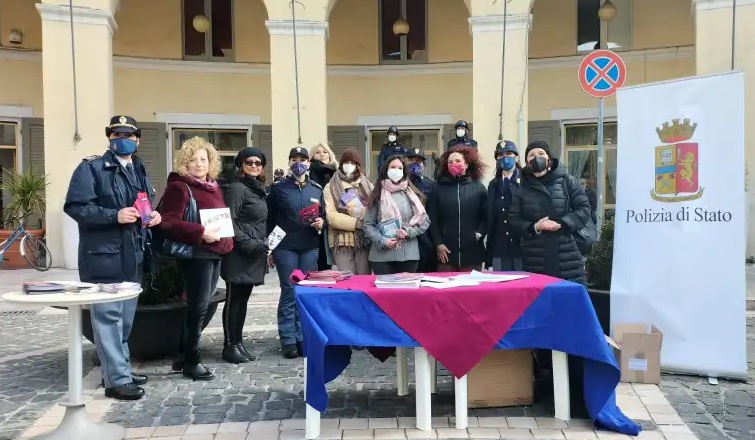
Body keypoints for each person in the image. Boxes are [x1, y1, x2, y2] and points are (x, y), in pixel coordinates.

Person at [64, 115, 160, 401]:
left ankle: (122, 369)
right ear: (109, 137)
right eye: (117, 134)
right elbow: (76, 207)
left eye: (129, 135)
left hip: (133, 254)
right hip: (104, 257)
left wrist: (151, 215)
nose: (123, 139)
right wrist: (113, 216)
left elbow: (143, 202)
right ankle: (116, 380)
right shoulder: (91, 168)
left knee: (125, 320)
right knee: (108, 319)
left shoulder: (139, 167)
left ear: (137, 139)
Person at [158, 136, 234, 380]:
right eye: (193, 159)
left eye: (204, 159)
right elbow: (169, 222)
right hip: (197, 255)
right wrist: (201, 233)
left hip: (214, 254)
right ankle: (192, 360)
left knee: (200, 306)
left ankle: (182, 356)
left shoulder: (213, 186)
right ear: (185, 163)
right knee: (198, 308)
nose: (199, 164)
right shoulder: (180, 187)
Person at [267, 146, 325, 359]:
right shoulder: (279, 189)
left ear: (309, 163)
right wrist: (270, 248)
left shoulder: (317, 189)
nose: (298, 162)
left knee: (305, 293)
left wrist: (321, 222)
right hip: (286, 247)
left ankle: (303, 337)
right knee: (290, 291)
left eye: (303, 159)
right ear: (289, 162)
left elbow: (324, 217)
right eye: (294, 159)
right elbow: (270, 219)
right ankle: (288, 339)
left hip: (309, 246)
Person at [508, 140, 591, 283]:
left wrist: (561, 223)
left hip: (566, 256)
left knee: (569, 302)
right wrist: (534, 227)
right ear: (527, 162)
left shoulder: (567, 181)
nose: (536, 158)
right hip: (535, 257)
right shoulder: (522, 188)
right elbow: (514, 219)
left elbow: (584, 209)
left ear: (550, 159)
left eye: (541, 153)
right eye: (531, 155)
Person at [219, 147, 269, 364]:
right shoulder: (237, 189)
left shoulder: (257, 189)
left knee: (242, 300)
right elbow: (228, 221)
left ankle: (238, 342)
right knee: (234, 300)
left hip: (253, 251)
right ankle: (230, 345)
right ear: (241, 165)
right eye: (249, 162)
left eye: (258, 163)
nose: (254, 166)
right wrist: (250, 243)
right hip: (239, 251)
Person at [363, 155, 430, 275]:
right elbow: (368, 224)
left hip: (408, 255)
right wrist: (381, 240)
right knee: (384, 293)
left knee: (406, 293)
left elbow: (425, 221)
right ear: (386, 170)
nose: (396, 170)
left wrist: (408, 231)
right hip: (381, 257)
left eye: (400, 168)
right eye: (393, 167)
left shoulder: (412, 194)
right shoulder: (377, 194)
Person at [428, 147, 488, 272]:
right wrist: (438, 243)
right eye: (450, 162)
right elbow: (432, 219)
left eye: (457, 161)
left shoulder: (479, 188)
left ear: (466, 164)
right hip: (446, 254)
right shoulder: (438, 189)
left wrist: (479, 234)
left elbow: (486, 216)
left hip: (472, 253)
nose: (453, 164)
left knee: (471, 290)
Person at [323, 148, 373, 275]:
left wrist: (363, 219)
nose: (349, 165)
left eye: (353, 162)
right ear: (341, 164)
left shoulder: (368, 186)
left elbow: (373, 211)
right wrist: (357, 223)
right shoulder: (331, 186)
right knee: (347, 282)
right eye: (346, 162)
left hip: (364, 241)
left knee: (363, 280)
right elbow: (332, 217)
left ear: (358, 166)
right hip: (342, 241)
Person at [486, 140, 523, 271]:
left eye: (508, 153)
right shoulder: (493, 184)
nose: (504, 157)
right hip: (499, 245)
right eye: (500, 155)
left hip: (521, 244)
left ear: (516, 157)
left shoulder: (525, 181)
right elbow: (491, 215)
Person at [406, 148, 437, 273]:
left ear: (424, 164)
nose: (414, 163)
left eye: (418, 161)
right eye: (411, 160)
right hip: (406, 236)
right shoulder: (399, 184)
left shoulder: (431, 185)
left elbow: (435, 214)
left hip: (426, 237)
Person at [309, 143, 338, 271]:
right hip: (315, 220)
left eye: (325, 152)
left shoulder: (337, 174)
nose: (322, 154)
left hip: (333, 219)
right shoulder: (309, 173)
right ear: (312, 156)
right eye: (318, 152)